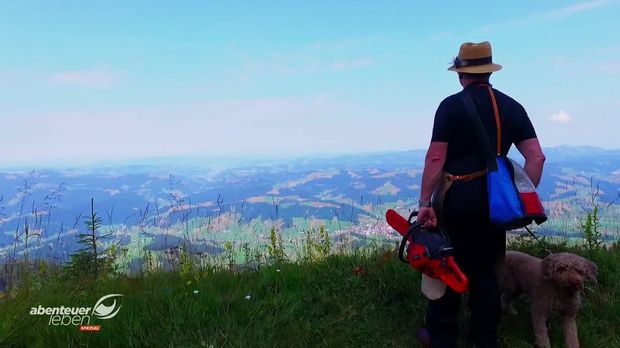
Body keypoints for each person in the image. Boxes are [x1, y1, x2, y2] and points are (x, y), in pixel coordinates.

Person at [416, 41, 546, 348]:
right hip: (494, 202)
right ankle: (484, 338)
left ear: (461, 74)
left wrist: (424, 203)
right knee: (488, 271)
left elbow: (436, 158)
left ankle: (442, 336)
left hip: (455, 199)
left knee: (445, 263)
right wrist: (518, 196)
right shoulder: (512, 107)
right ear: (488, 71)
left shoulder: (450, 106)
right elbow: (536, 157)